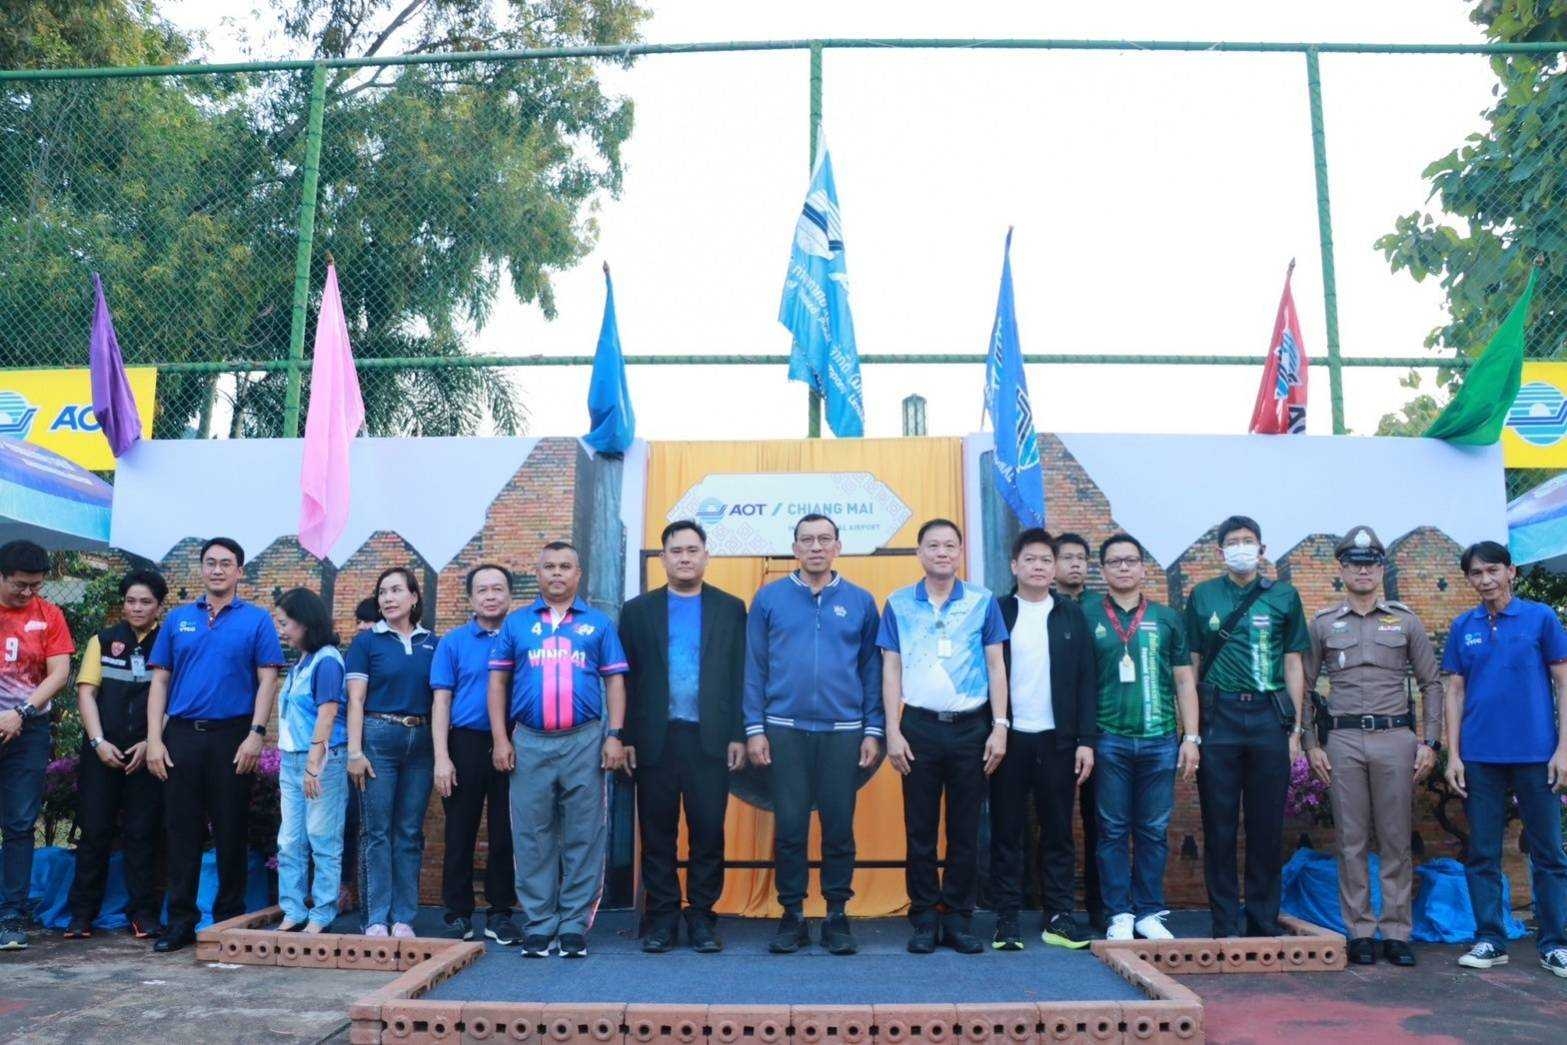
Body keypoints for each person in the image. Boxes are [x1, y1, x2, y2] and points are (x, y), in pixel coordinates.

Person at [1302, 526, 1442, 968]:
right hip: (1342, 740)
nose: (1363, 571)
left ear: (1381, 570)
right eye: (1354, 564)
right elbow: (1303, 686)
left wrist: (1430, 742)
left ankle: (1397, 931)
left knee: (1397, 837)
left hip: (1395, 739)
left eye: (1371, 564)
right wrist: (1311, 743)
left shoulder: (1405, 621)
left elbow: (1431, 683)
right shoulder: (1323, 623)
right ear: (1342, 570)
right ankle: (1360, 930)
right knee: (1351, 839)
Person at [745, 514, 882, 956]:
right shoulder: (769, 599)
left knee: (839, 827)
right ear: (795, 547)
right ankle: (793, 915)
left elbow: (872, 670)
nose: (816, 547)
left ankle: (837, 915)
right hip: (783, 730)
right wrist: (754, 728)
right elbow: (754, 667)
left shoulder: (861, 602)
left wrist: (873, 728)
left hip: (844, 732)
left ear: (838, 546)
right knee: (790, 826)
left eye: (825, 539)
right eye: (807, 540)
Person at [488, 541, 630, 959]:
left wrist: (614, 735)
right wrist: (501, 739)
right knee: (532, 835)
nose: (556, 573)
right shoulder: (516, 624)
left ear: (578, 574)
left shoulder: (599, 624)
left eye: (565, 566)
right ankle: (539, 924)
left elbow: (615, 681)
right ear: (538, 573)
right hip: (529, 741)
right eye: (549, 566)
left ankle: (573, 927)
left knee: (584, 835)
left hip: (584, 740)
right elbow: (497, 683)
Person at [146, 537, 283, 953]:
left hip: (233, 736)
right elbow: (160, 682)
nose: (217, 570)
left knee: (230, 830)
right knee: (181, 830)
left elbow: (268, 680)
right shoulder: (178, 620)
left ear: (240, 571)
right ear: (201, 568)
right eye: (210, 562)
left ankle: (228, 921)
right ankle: (180, 921)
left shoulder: (256, 620)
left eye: (226, 563)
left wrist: (256, 734)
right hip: (182, 736)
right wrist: (154, 739)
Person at [618, 521, 747, 954]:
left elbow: (740, 675)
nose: (685, 558)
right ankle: (662, 920)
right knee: (658, 836)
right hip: (654, 740)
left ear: (706, 555)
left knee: (708, 832)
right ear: (663, 558)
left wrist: (738, 733)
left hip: (710, 739)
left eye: (693, 550)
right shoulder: (637, 611)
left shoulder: (731, 608)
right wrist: (625, 735)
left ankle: (703, 918)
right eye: (676, 551)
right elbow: (625, 680)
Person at [879, 519, 1006, 955]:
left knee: (965, 829)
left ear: (960, 552)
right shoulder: (898, 603)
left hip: (972, 728)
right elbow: (891, 668)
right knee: (920, 829)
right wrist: (892, 730)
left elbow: (996, 666)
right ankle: (923, 917)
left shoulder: (982, 601)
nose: (942, 553)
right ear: (919, 553)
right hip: (918, 727)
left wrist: (1000, 727)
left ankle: (957, 918)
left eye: (950, 545)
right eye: (933, 545)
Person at [1441, 540, 1567, 978]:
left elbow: (1563, 683)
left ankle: (1555, 944)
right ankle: (1490, 940)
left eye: (1493, 570)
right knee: (1482, 853)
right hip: (1480, 757)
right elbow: (1454, 692)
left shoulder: (1541, 618)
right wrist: (1454, 755)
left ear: (1511, 571)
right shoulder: (1464, 626)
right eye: (1476, 573)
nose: (1486, 579)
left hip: (1537, 755)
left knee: (1548, 852)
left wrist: (1564, 749)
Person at [1185, 515, 1307, 938]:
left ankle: (1262, 920)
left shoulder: (1284, 596)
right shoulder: (1203, 595)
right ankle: (1223, 922)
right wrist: (1192, 729)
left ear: (1262, 549)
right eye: (1233, 541)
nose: (1241, 547)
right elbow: (1192, 663)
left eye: (1248, 540)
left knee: (1266, 825)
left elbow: (1294, 662)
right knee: (1219, 825)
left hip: (1268, 716)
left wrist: (1295, 729)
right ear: (1220, 552)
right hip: (1218, 717)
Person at [1085, 533, 1200, 942]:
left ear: (1143, 568)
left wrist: (1191, 737)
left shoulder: (1167, 618)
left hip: (1160, 738)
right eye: (1114, 561)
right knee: (1112, 829)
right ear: (1103, 570)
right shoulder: (1087, 615)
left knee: (1153, 828)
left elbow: (1184, 680)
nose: (1123, 567)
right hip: (1109, 737)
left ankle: (1149, 911)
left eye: (1130, 560)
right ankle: (1118, 912)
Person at [988, 528, 1097, 951]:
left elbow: (1087, 680)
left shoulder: (1071, 615)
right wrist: (993, 728)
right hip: (1009, 739)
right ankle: (1006, 918)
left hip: (1058, 740)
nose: (1038, 566)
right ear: (1014, 565)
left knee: (1058, 831)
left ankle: (1059, 917)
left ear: (1054, 569)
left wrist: (1085, 740)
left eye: (1046, 560)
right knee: (1006, 831)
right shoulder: (997, 611)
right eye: (1030, 559)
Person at [66, 569, 167, 941]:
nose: (136, 608)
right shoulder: (103, 640)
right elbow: (86, 693)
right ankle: (81, 916)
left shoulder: (168, 643)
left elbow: (174, 699)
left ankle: (143, 915)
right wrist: (97, 742)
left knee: (142, 834)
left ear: (159, 606)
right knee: (94, 832)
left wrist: (151, 742)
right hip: (102, 753)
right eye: (130, 601)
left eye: (145, 602)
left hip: (147, 754)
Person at [346, 566, 437, 939]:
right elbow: (355, 700)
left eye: (396, 590)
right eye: (382, 591)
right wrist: (355, 751)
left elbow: (442, 699)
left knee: (409, 832)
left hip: (423, 742)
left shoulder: (433, 643)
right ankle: (375, 918)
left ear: (414, 597)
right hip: (378, 738)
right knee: (377, 831)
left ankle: (403, 918)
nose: (388, 598)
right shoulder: (366, 643)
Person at [431, 564, 519, 945]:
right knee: (459, 831)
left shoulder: (521, 638)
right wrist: (442, 757)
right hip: (463, 743)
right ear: (471, 598)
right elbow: (441, 701)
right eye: (482, 590)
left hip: (513, 743)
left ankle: (500, 913)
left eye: (498, 589)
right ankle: (458, 914)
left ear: (510, 595)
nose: (490, 596)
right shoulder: (452, 643)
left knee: (505, 831)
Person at [0, 541, 73, 952]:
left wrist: (21, 712)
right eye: (20, 585)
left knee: (20, 822)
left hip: (27, 730)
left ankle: (12, 914)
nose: (28, 593)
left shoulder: (49, 615)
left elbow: (59, 673)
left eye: (36, 586)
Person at [274, 587, 350, 933]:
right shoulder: (302, 661)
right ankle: (292, 909)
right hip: (291, 759)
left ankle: (321, 913)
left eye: (285, 623)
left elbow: (327, 714)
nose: (281, 630)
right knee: (289, 840)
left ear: (304, 622)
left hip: (321, 761)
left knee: (322, 838)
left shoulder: (327, 660)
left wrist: (313, 765)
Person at [1052, 530, 1106, 931]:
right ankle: (1055, 907)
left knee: (1099, 822)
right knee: (1054, 823)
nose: (1075, 564)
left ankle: (1100, 906)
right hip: (1052, 730)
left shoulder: (1102, 608)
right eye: (1066, 557)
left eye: (1081, 558)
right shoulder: (1039, 604)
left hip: (1099, 727)